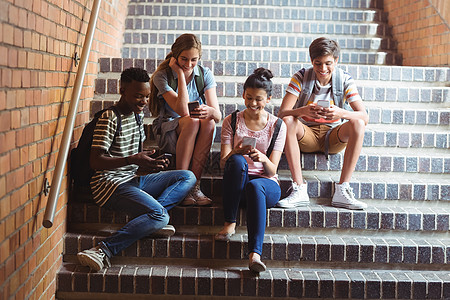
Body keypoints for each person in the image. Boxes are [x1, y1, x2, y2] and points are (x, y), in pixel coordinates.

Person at [77, 67, 197, 271]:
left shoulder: (137, 116)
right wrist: (132, 159)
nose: (143, 101)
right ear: (122, 90)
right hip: (108, 184)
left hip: (131, 179)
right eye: (137, 96)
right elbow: (95, 162)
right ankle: (102, 250)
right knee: (161, 216)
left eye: (146, 96)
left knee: (187, 177)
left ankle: (153, 218)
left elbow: (136, 155)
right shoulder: (109, 118)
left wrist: (150, 161)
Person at [276, 37, 369, 210]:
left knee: (358, 123)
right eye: (318, 63)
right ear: (312, 61)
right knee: (288, 121)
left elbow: (364, 116)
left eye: (328, 63)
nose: (323, 69)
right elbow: (282, 113)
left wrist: (341, 113)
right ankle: (299, 188)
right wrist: (302, 111)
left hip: (333, 136)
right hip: (306, 136)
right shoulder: (301, 77)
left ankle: (342, 189)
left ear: (336, 60)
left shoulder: (344, 79)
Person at [215, 68, 287, 273]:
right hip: (237, 183)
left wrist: (262, 158)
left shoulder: (277, 125)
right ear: (243, 94)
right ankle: (230, 222)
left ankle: (255, 255)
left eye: (259, 99)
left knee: (256, 185)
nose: (253, 104)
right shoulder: (232, 120)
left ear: (269, 99)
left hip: (266, 185)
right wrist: (235, 152)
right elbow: (223, 163)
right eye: (249, 98)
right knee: (237, 161)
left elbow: (273, 168)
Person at [150, 33, 221, 206]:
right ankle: (182, 184)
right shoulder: (162, 76)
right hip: (168, 129)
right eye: (184, 59)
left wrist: (209, 110)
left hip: (195, 129)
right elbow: (182, 110)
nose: (189, 64)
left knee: (208, 121)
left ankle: (194, 186)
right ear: (175, 56)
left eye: (194, 60)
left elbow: (218, 116)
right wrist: (180, 75)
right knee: (191, 120)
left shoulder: (205, 74)